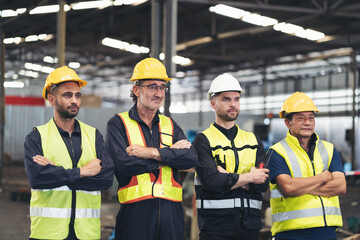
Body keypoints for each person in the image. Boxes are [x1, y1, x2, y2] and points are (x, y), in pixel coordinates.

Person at [106, 57, 198, 240]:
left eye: (162, 87)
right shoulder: (118, 123)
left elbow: (190, 158)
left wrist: (152, 153)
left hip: (172, 213)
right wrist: (168, 159)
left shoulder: (170, 124)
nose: (159, 93)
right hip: (135, 213)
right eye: (152, 87)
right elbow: (123, 165)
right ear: (136, 89)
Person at [24, 66, 114, 240]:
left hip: (86, 233)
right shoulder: (37, 137)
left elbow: (106, 179)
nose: (74, 100)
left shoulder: (93, 136)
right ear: (51, 99)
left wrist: (57, 173)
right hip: (48, 233)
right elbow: (38, 179)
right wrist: (83, 172)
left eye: (77, 95)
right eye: (67, 95)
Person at [193, 73, 270, 240]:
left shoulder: (253, 140)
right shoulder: (203, 140)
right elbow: (212, 182)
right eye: (226, 99)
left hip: (250, 226)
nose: (233, 104)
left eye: (236, 99)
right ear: (213, 103)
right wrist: (250, 177)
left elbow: (262, 185)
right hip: (216, 228)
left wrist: (227, 177)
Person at [268, 91, 346, 240]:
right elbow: (288, 188)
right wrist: (323, 177)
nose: (307, 122)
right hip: (291, 235)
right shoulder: (277, 152)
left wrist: (301, 186)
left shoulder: (329, 149)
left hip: (328, 233)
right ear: (287, 122)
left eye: (311, 118)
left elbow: (341, 187)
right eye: (300, 118)